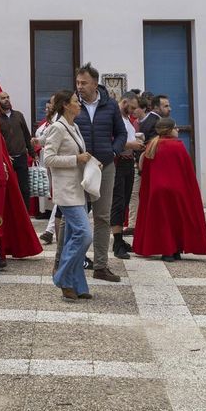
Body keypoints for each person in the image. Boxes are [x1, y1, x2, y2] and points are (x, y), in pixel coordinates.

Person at [75, 65, 129, 282]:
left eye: (84, 83)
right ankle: (74, 261)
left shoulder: (110, 105)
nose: (79, 87)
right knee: (76, 216)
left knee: (102, 217)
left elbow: (121, 133)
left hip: (104, 166)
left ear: (95, 84)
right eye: (78, 83)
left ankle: (100, 266)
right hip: (79, 166)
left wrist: (113, 151)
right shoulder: (72, 104)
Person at [131, 118, 206, 261]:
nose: (178, 130)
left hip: (157, 190)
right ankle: (176, 249)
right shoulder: (177, 146)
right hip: (176, 190)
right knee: (177, 219)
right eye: (175, 127)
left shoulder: (152, 146)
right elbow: (187, 171)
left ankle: (167, 250)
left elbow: (146, 173)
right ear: (169, 130)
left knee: (162, 221)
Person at [39, 91, 93, 301]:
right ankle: (62, 276)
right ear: (65, 105)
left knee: (74, 236)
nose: (79, 104)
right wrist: (75, 159)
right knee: (84, 234)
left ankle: (76, 284)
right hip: (66, 192)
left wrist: (86, 160)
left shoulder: (74, 127)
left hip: (78, 189)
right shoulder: (57, 128)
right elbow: (49, 159)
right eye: (75, 102)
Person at [111, 94, 143, 258]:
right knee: (117, 201)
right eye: (130, 107)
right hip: (118, 162)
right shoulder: (114, 117)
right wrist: (131, 144)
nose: (132, 111)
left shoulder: (126, 119)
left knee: (124, 201)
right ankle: (117, 243)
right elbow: (111, 140)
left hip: (128, 162)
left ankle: (120, 239)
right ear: (124, 102)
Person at [0, 89, 34, 212]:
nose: (6, 99)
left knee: (24, 188)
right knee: (8, 188)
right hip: (8, 160)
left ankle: (25, 214)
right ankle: (10, 213)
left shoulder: (19, 115)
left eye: (7, 97)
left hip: (22, 157)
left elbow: (26, 135)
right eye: (3, 98)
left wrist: (32, 153)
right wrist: (3, 156)